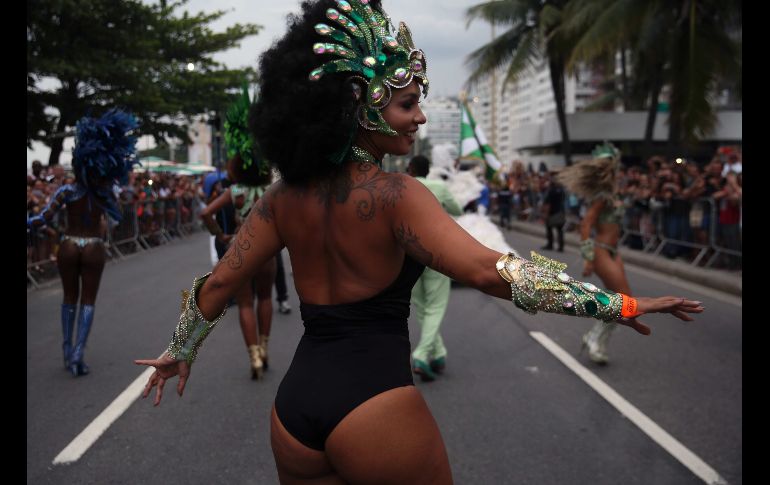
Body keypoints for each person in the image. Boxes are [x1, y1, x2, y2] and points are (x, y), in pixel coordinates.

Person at [135, 2, 703, 482]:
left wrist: (179, 352)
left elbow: (221, 283)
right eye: (406, 104)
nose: (420, 118)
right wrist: (617, 303)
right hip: (375, 407)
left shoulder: (281, 199)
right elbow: (489, 271)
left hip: (294, 414)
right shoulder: (396, 194)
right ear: (361, 108)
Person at [29, 108, 138, 376]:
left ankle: (67, 351)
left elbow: (42, 218)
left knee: (69, 297)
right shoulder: (103, 194)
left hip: (68, 244)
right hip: (93, 246)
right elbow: (118, 213)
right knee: (88, 300)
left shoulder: (66, 191)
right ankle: (78, 353)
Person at [199, 86, 277, 379]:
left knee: (245, 303)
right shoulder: (270, 191)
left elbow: (205, 212)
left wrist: (220, 234)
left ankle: (254, 358)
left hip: (240, 249)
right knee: (266, 299)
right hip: (266, 252)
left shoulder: (236, 191)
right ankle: (266, 348)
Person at [556, 142, 634, 365]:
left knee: (621, 299)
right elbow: (586, 224)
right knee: (625, 301)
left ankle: (595, 338)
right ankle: (594, 340)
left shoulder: (612, 191)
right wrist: (588, 257)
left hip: (613, 251)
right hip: (600, 250)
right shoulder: (602, 195)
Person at [406, 155, 462, 381]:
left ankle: (438, 353)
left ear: (410, 169)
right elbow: (457, 209)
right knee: (436, 307)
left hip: (408, 255)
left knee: (421, 307)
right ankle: (422, 354)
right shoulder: (439, 186)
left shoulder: (404, 185)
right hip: (437, 254)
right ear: (429, 170)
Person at [541, 174, 566, 252]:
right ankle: (561, 246)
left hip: (552, 212)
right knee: (560, 230)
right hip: (560, 211)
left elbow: (548, 203)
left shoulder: (551, 190)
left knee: (549, 228)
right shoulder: (561, 190)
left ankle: (550, 244)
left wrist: (546, 214)